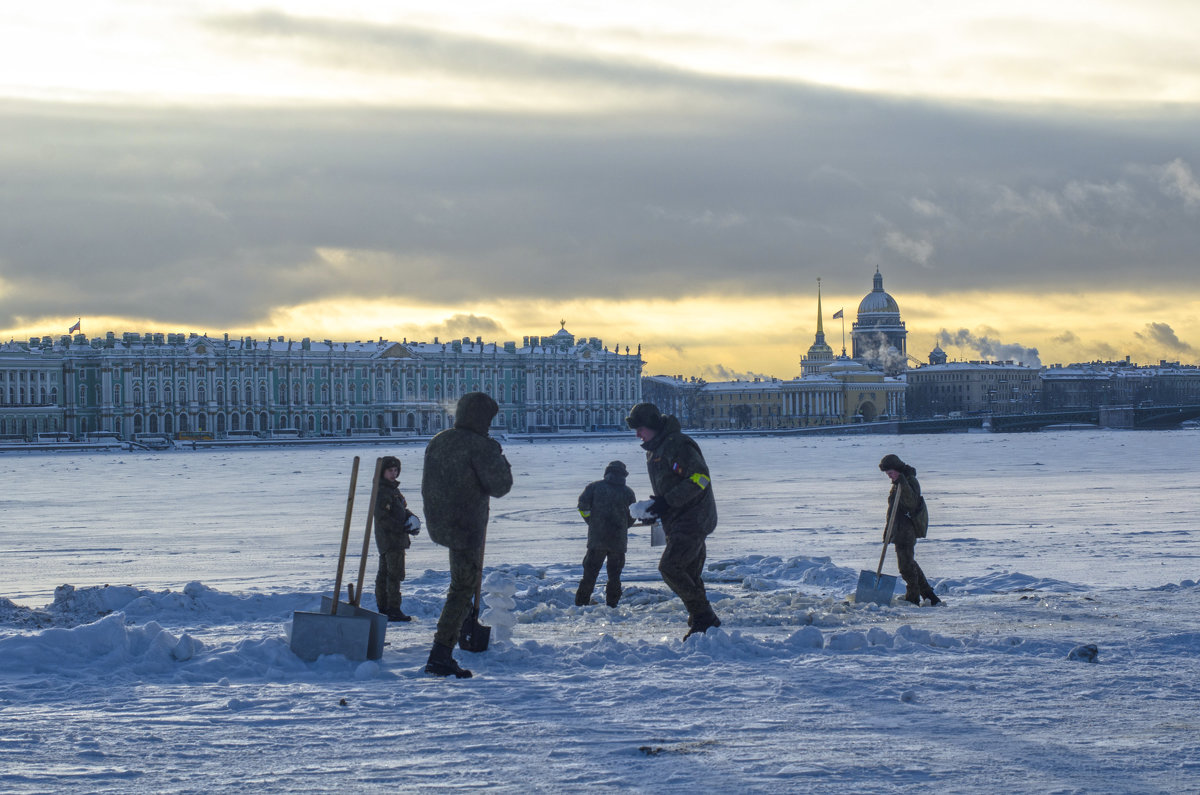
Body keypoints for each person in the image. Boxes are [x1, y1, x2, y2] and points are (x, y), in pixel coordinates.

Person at [421, 392, 513, 678]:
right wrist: (497, 455)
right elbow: (500, 487)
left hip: (440, 523)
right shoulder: (480, 445)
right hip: (467, 526)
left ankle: (460, 632)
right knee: (463, 586)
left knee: (461, 583)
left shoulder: (439, 439)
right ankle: (440, 654)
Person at [626, 402, 721, 640]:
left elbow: (700, 478)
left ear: (653, 425)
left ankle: (703, 617)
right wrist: (655, 508)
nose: (637, 434)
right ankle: (704, 621)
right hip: (679, 518)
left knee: (671, 567)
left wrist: (667, 502)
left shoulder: (678, 444)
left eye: (640, 428)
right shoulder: (656, 449)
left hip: (694, 518)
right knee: (688, 570)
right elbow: (671, 485)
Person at [879, 453, 940, 606]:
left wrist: (903, 483)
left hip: (907, 531)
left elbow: (911, 503)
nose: (889, 476)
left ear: (898, 469)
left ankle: (913, 597)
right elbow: (894, 511)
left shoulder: (909, 481)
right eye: (887, 474)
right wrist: (889, 531)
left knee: (905, 567)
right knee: (909, 563)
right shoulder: (898, 483)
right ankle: (929, 595)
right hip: (899, 530)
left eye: (891, 473)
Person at [574, 461, 637, 608]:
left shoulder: (594, 487)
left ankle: (581, 604)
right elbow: (633, 514)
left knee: (589, 574)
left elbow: (582, 505)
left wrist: (591, 521)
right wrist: (623, 526)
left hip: (597, 540)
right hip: (618, 542)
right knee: (615, 576)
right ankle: (612, 605)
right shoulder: (628, 492)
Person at [373, 455, 421, 622]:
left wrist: (412, 519)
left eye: (395, 470)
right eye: (390, 471)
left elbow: (401, 510)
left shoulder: (392, 489)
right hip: (390, 540)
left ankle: (385, 607)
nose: (393, 474)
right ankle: (392, 608)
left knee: (386, 573)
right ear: (382, 472)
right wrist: (402, 527)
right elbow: (382, 517)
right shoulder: (382, 491)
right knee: (393, 574)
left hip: (394, 539)